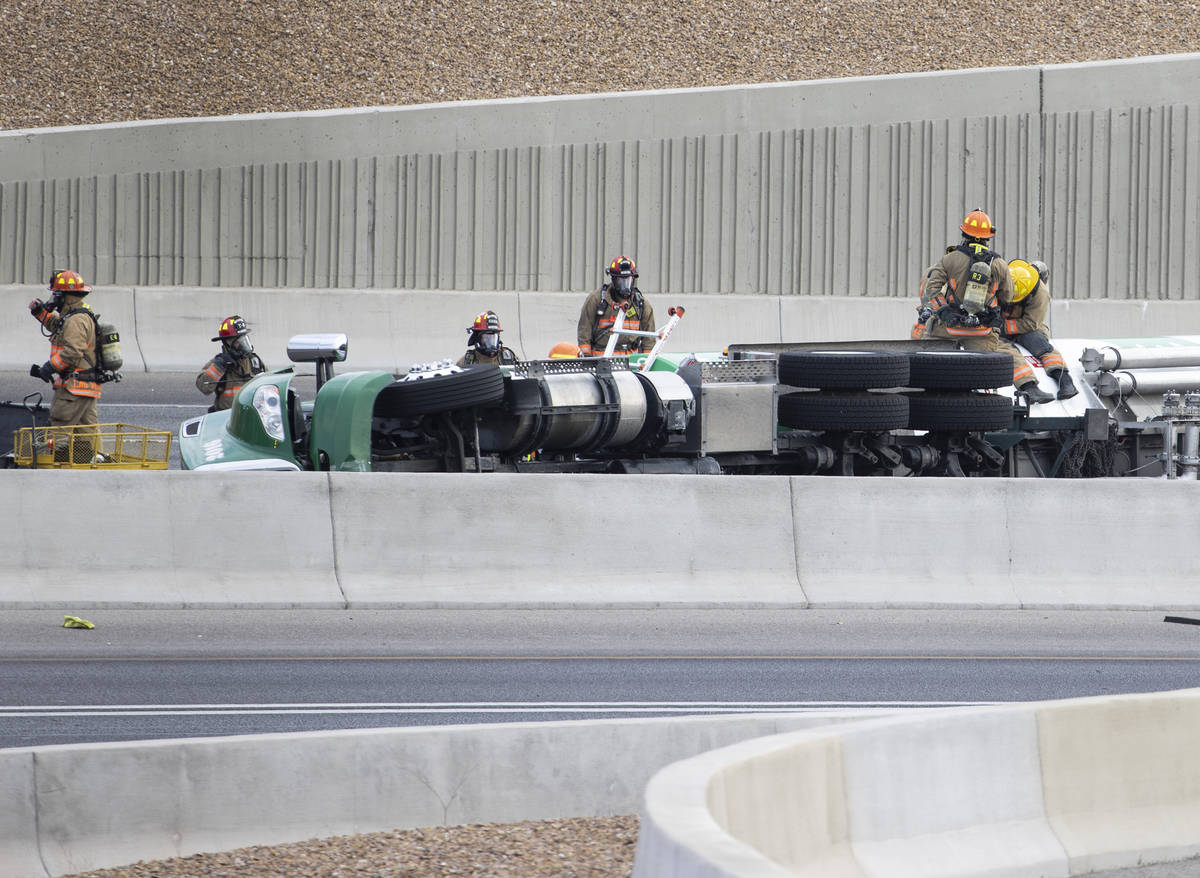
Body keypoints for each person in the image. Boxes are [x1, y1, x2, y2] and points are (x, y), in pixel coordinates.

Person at [916, 209, 1056, 404]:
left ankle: (923, 389)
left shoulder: (950, 259)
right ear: (988, 238)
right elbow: (1008, 296)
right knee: (1007, 352)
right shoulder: (999, 263)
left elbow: (932, 289)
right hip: (981, 332)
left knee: (924, 343)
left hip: (947, 329)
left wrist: (944, 311)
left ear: (964, 234)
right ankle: (1030, 388)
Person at [29, 269, 103, 461]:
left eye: (57, 294)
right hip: (85, 389)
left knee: (60, 430)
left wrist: (49, 367)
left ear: (67, 296)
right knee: (88, 433)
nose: (54, 298)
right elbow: (57, 327)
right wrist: (40, 312)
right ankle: (97, 464)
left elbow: (72, 352)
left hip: (72, 390)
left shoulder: (76, 320)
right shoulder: (74, 316)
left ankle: (59, 469)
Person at [1001, 260, 1077, 400]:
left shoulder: (1041, 294)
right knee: (1006, 350)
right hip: (998, 323)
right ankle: (1029, 387)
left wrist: (1002, 327)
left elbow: (1031, 323)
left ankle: (1065, 382)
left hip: (1024, 326)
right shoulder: (1003, 278)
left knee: (1041, 345)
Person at [577, 256, 656, 357]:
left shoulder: (641, 304)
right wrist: (587, 358)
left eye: (628, 280)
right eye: (621, 281)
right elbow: (584, 332)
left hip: (630, 364)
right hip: (601, 362)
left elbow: (649, 342)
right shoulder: (596, 300)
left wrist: (645, 362)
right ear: (613, 279)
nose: (625, 285)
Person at [197, 315, 267, 412]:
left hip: (251, 416)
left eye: (244, 339)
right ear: (227, 343)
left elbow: (270, 388)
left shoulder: (255, 362)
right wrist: (220, 367)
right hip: (226, 418)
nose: (243, 344)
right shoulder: (218, 364)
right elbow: (203, 387)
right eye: (238, 341)